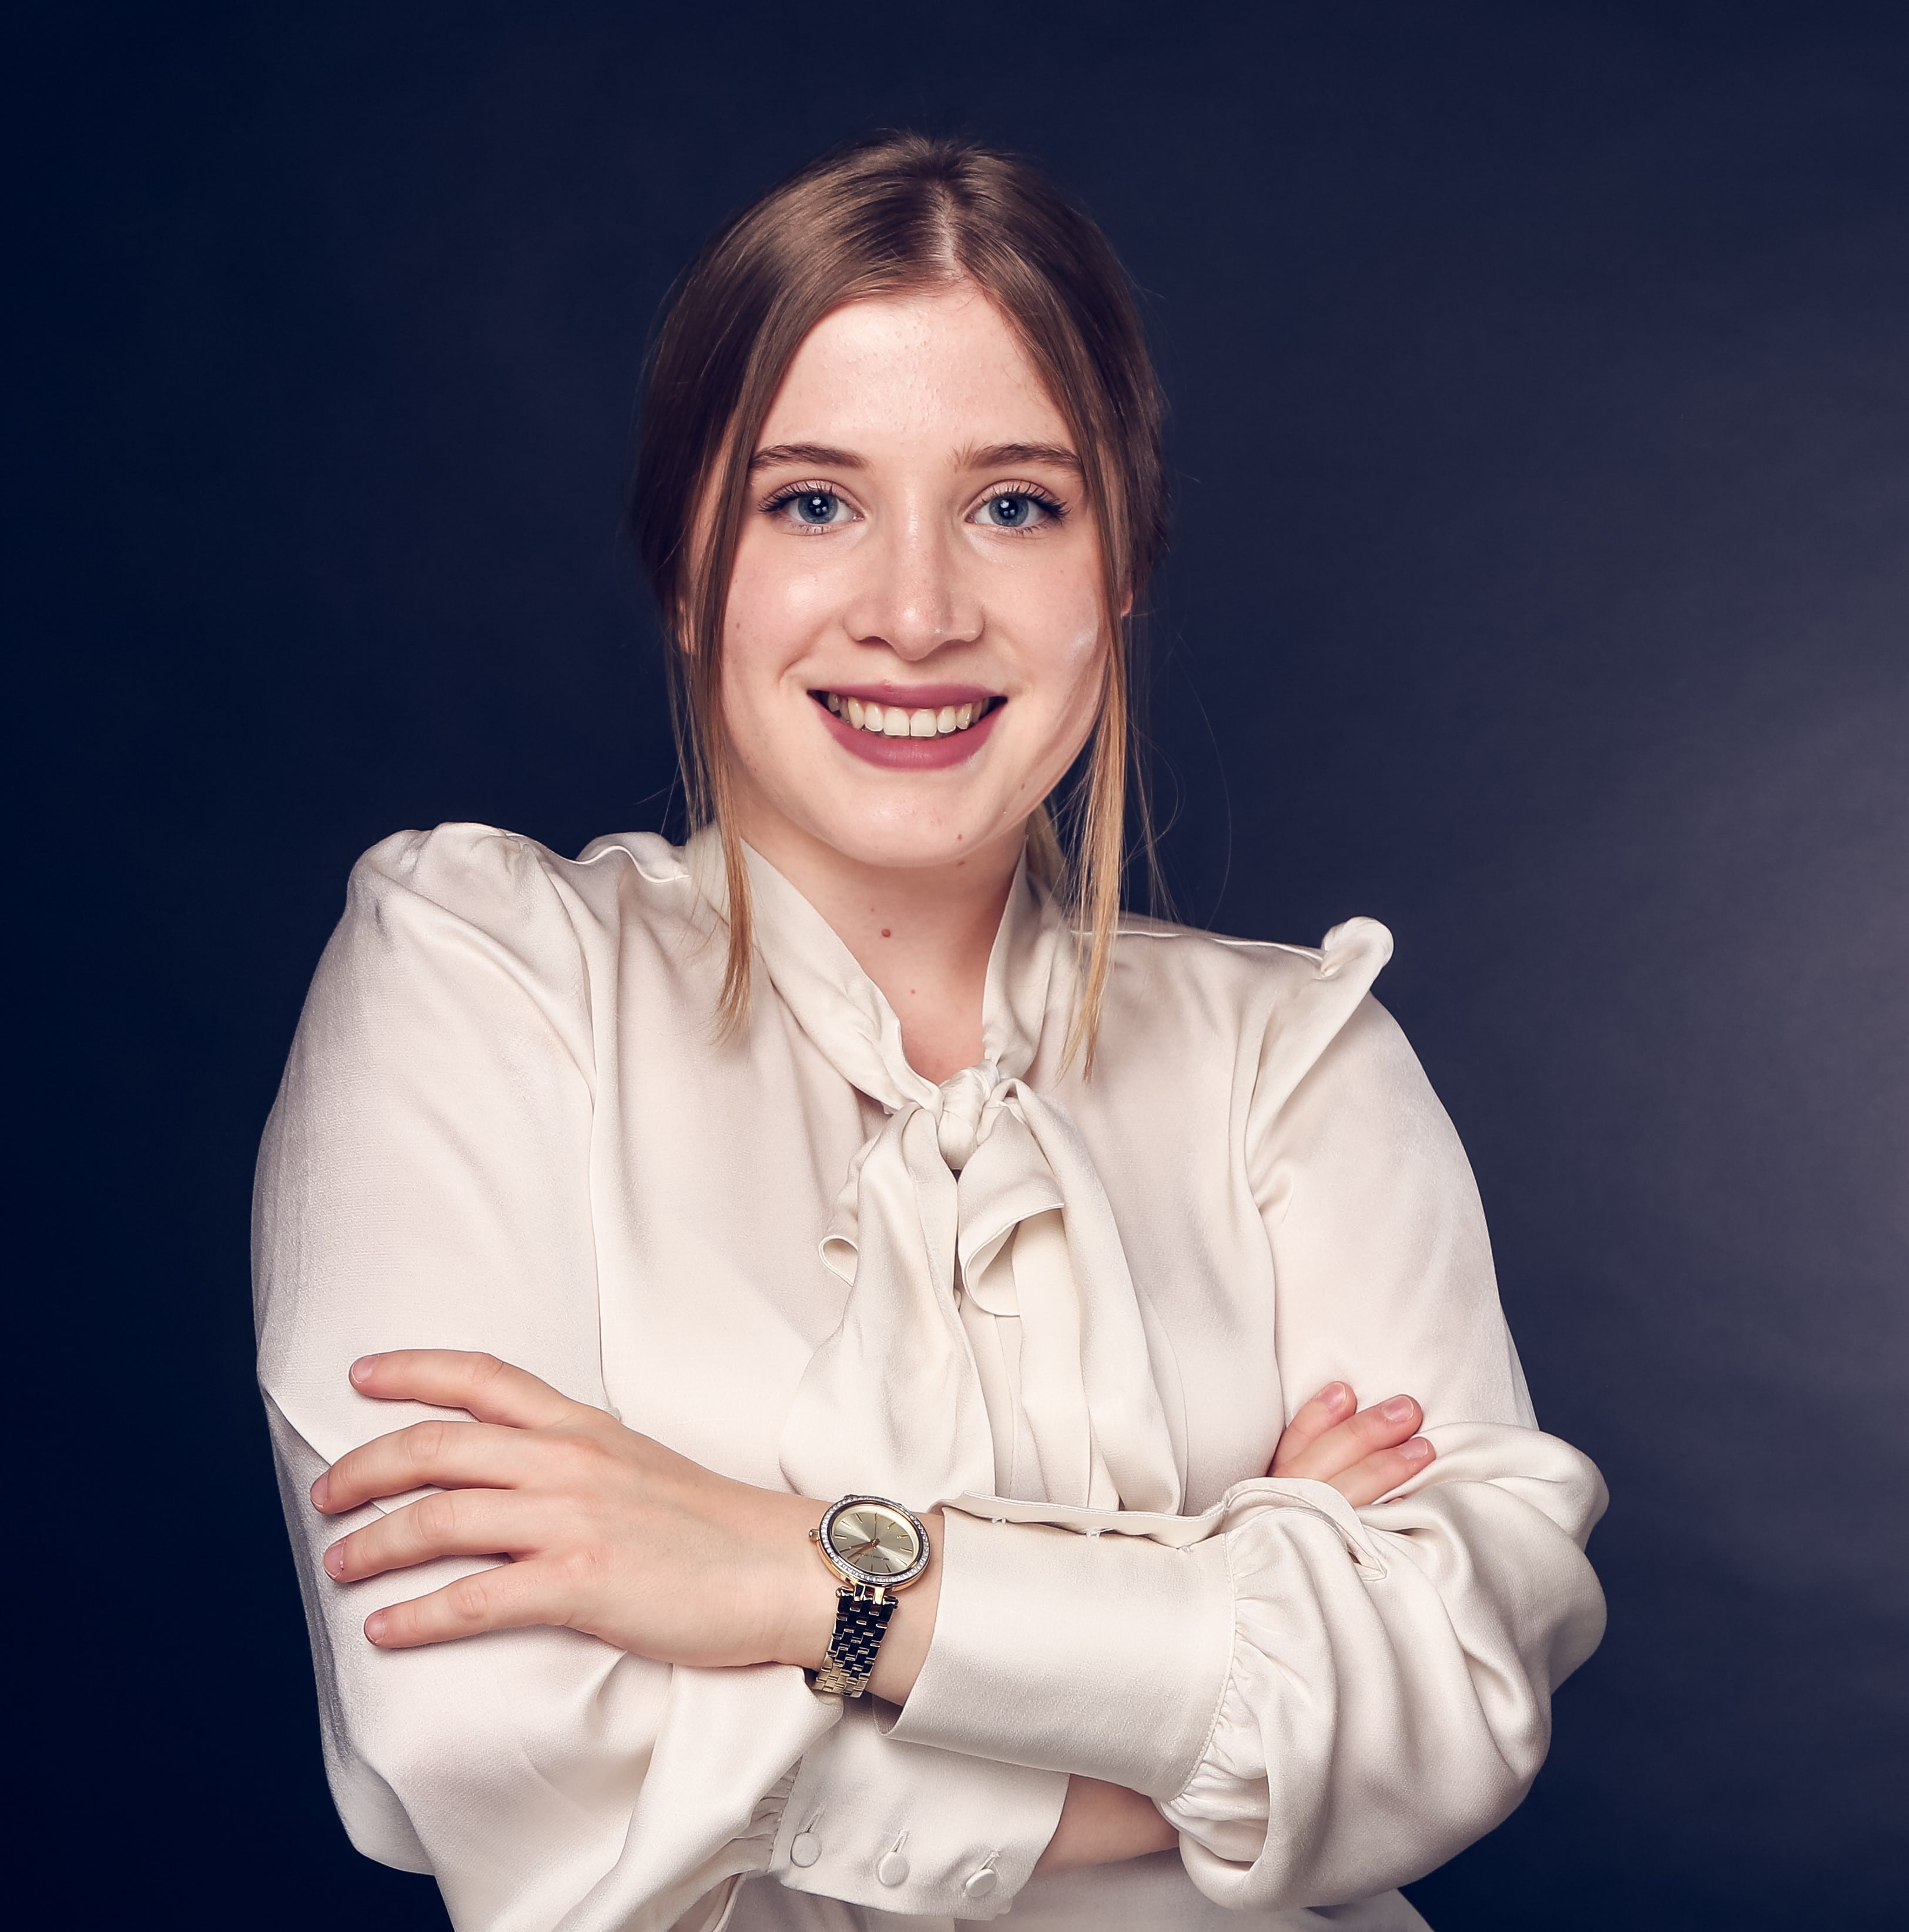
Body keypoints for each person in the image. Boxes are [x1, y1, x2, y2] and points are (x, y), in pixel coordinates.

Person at [254, 133, 1607, 1932]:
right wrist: (1216, 1665)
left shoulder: (1299, 1061)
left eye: (1015, 506)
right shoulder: (479, 973)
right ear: (687, 569)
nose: (915, 613)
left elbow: (1451, 1701)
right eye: (812, 503)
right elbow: (484, 1731)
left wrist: (801, 1579)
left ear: (1119, 570)